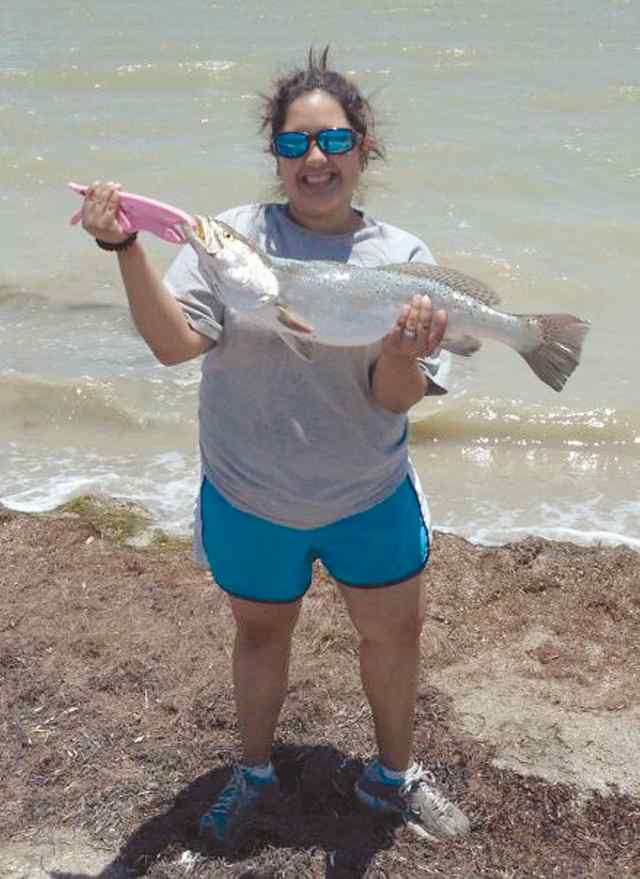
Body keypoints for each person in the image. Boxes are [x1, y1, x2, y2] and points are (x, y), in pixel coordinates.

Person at [80, 47, 470, 845]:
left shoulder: (402, 258)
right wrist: (127, 250)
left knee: (393, 635)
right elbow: (175, 343)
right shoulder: (231, 241)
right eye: (294, 144)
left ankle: (392, 775)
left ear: (364, 148)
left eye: (332, 141)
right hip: (249, 491)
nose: (314, 159)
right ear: (276, 156)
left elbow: (393, 398)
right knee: (260, 633)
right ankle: (252, 771)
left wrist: (402, 350)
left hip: (368, 492)